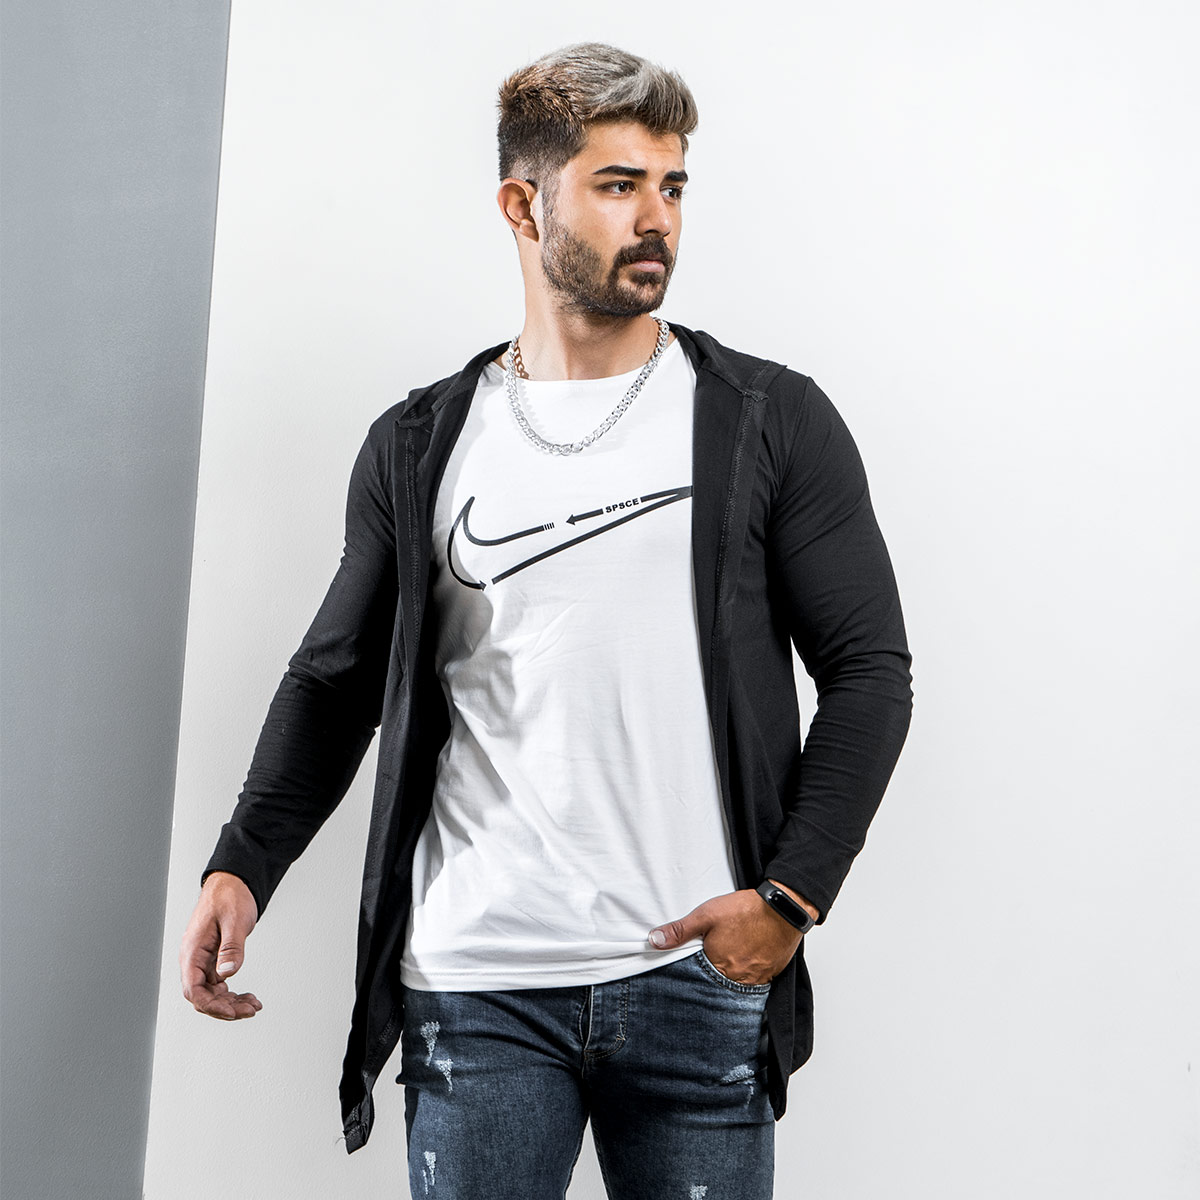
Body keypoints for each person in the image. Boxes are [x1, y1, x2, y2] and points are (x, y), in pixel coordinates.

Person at [180, 41, 913, 1199]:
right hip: (478, 986)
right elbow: (335, 679)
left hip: (698, 977)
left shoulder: (769, 420)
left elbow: (869, 671)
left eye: (672, 186)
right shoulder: (422, 444)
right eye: (618, 185)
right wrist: (243, 863)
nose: (656, 218)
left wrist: (789, 901)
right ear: (524, 206)